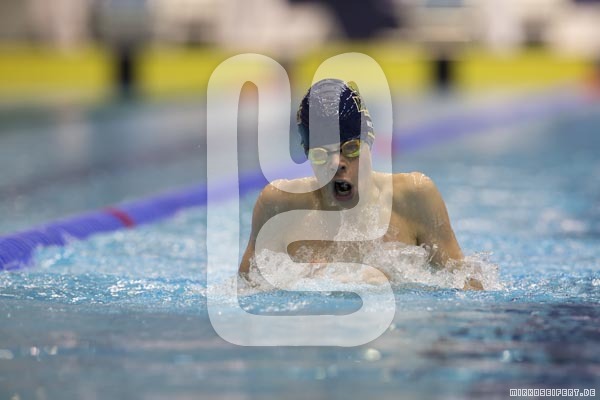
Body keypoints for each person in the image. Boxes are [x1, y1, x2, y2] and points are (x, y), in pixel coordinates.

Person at [239, 78, 482, 290]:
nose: (337, 164)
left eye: (350, 149)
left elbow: (467, 286)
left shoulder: (413, 197)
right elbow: (247, 293)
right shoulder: (280, 206)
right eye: (321, 155)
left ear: (370, 141)